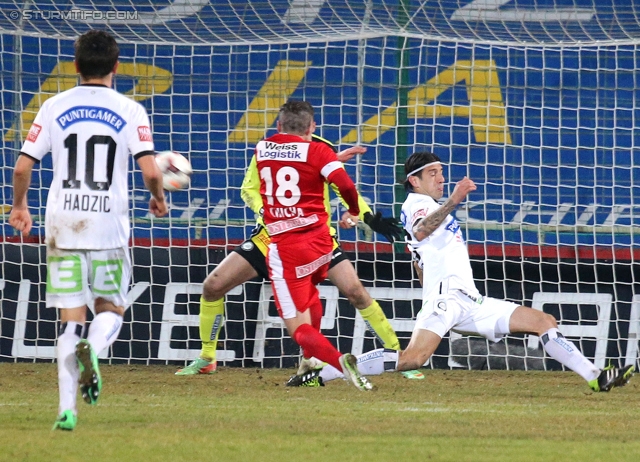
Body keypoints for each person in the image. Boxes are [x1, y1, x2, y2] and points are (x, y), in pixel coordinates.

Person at [288, 151, 635, 393]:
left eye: (441, 173)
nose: (441, 179)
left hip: (470, 300)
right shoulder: (418, 204)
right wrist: (453, 201)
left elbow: (419, 249)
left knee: (543, 321)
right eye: (433, 174)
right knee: (412, 359)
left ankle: (596, 376)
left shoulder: (428, 205)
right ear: (414, 181)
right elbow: (422, 230)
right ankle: (323, 374)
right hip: (447, 299)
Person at [9, 30, 168, 430]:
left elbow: (22, 167)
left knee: (70, 320)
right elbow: (150, 170)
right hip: (108, 226)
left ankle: (67, 411)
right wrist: (158, 198)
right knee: (111, 309)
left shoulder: (53, 106)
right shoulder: (131, 110)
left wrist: (19, 206)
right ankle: (94, 350)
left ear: (76, 66)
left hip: (63, 224)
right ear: (116, 67)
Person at [175, 134, 412, 378]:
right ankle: (207, 357)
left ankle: (398, 357)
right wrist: (266, 211)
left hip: (314, 241)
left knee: (355, 292)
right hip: (268, 239)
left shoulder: (319, 154)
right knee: (213, 286)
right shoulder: (267, 153)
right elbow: (248, 190)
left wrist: (367, 216)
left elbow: (346, 192)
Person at [251, 99, 373, 390]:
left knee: (299, 328)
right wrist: (354, 211)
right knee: (311, 297)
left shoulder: (262, 149)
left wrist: (328, 158)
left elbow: (291, 162)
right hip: (320, 244)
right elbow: (345, 186)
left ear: (278, 126)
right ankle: (310, 367)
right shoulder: (319, 151)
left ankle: (338, 362)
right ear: (312, 127)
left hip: (286, 247)